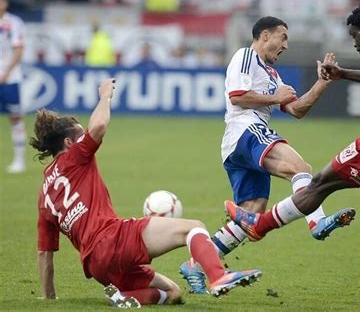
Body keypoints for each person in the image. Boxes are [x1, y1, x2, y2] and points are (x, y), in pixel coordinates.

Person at [226, 5, 360, 309]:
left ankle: (261, 226)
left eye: (354, 37)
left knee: (320, 180)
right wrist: (340, 74)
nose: (354, 44)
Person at [32, 78, 262, 308]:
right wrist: (104, 97)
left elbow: (45, 254)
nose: (86, 139)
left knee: (173, 293)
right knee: (194, 227)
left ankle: (122, 297)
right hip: (113, 240)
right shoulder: (74, 157)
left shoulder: (44, 197)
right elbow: (99, 126)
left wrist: (49, 299)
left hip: (96, 266)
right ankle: (218, 277)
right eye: (81, 136)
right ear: (68, 143)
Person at [179, 16, 355, 294]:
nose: (285, 44)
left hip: (237, 144)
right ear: (264, 36)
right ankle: (316, 220)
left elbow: (297, 109)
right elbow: (237, 96)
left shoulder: (272, 75)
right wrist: (277, 98)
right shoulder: (246, 55)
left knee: (253, 211)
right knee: (300, 167)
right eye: (282, 37)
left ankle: (196, 265)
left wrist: (323, 82)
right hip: (245, 130)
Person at [0, 0, 27, 173]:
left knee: (15, 117)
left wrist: (6, 72)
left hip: (9, 78)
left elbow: (18, 50)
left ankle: (19, 160)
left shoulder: (14, 23)